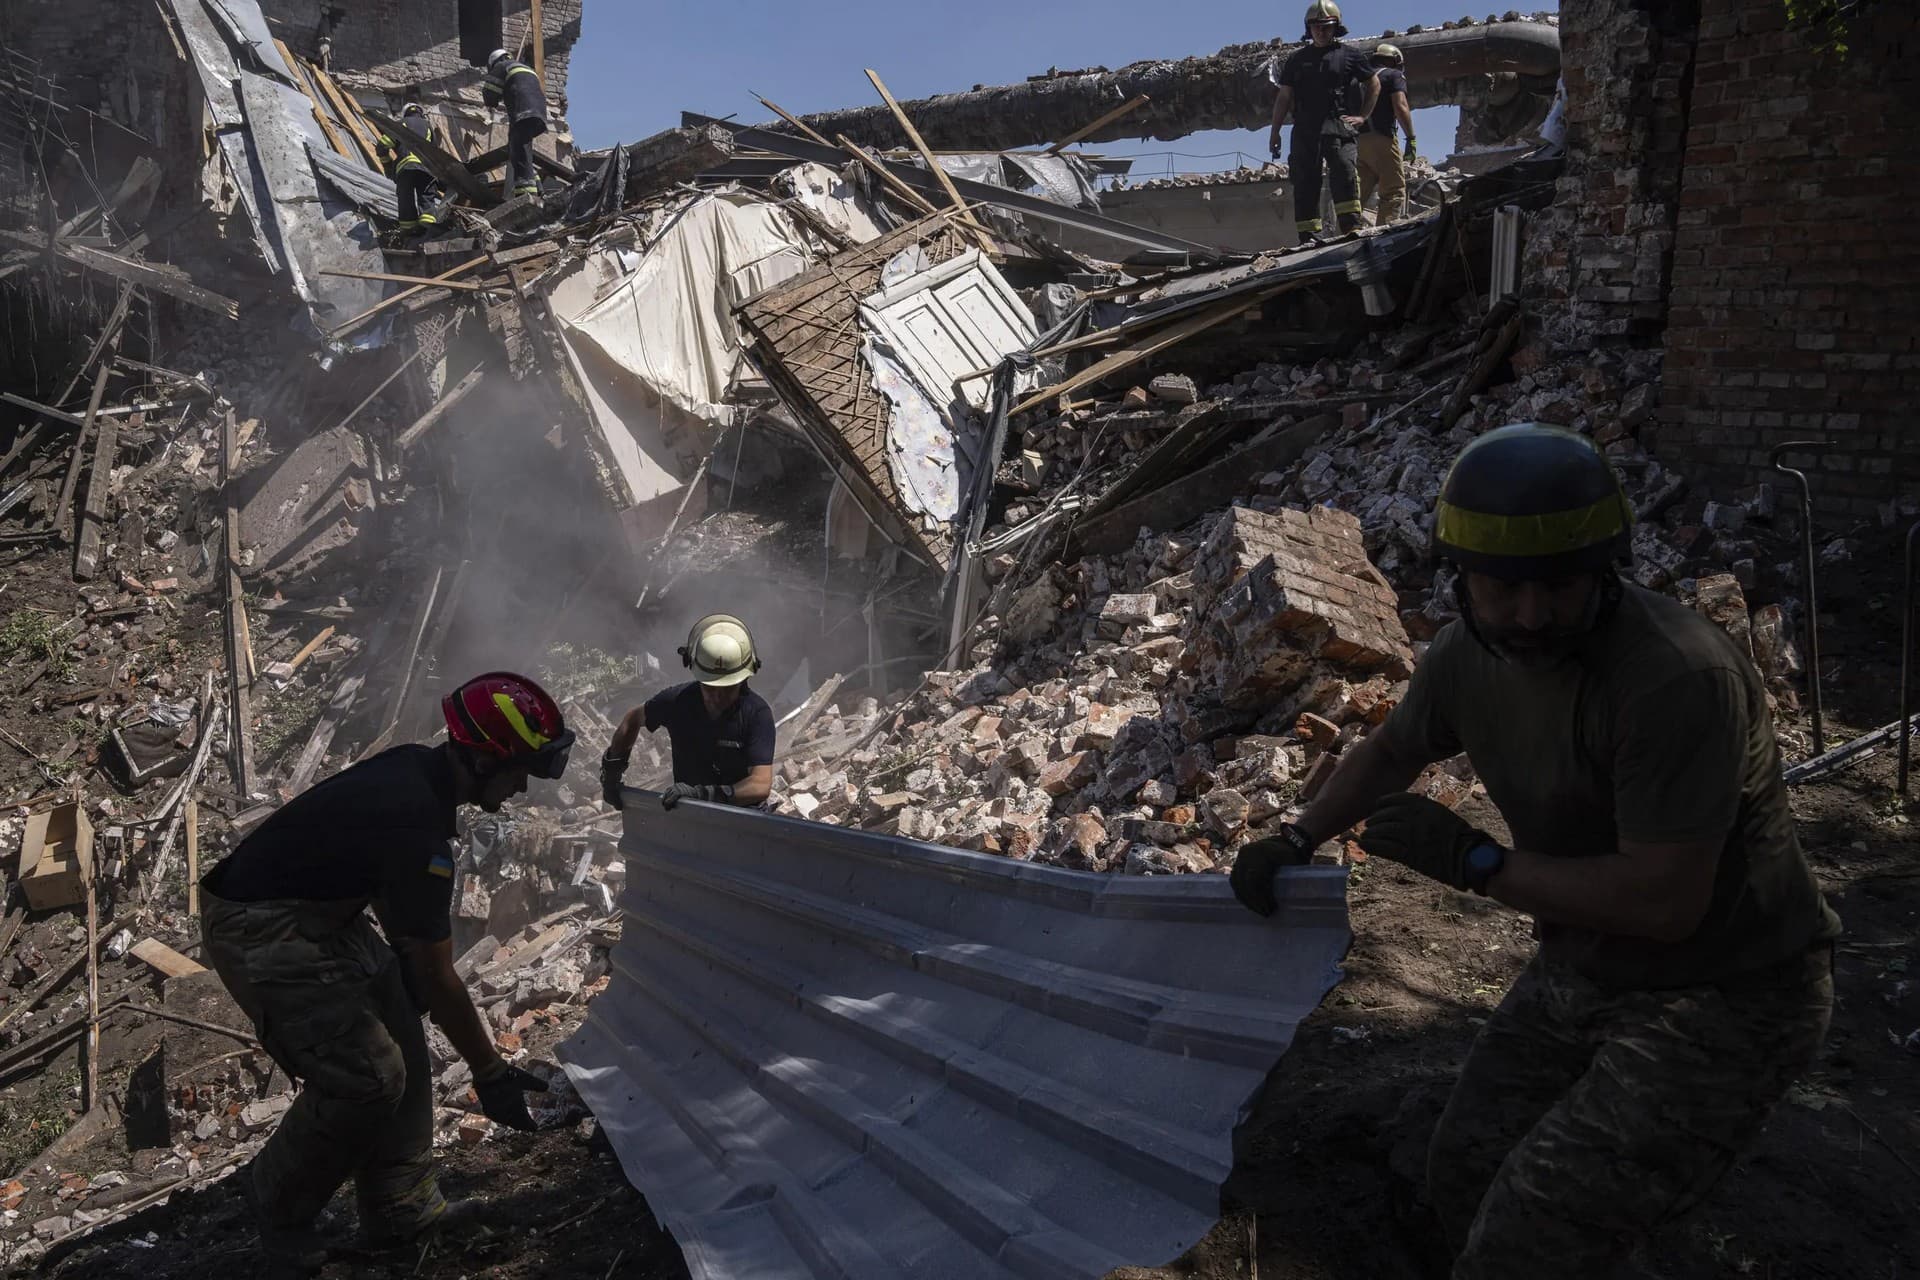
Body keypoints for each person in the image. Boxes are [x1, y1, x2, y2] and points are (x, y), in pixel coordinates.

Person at [1229, 424, 1840, 1279]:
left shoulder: (1674, 679)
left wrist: (1478, 864)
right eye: (1502, 588)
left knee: (1534, 1240)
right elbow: (1394, 751)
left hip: (1730, 993)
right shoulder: (1463, 655)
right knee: (1464, 1172)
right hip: (1588, 963)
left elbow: (1666, 903)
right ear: (1461, 580)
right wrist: (1295, 836)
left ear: (1606, 571)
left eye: (1559, 587)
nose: (1530, 615)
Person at [200, 672, 572, 1274]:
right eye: (517, 769)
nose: (522, 785)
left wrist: (402, 973)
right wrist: (491, 1072)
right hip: (260, 926)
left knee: (400, 1028)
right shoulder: (416, 828)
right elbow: (438, 975)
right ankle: (277, 1205)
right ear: (479, 759)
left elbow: (374, 885)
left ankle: (403, 1208)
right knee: (368, 1076)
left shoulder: (419, 773)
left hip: (323, 914)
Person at [600, 614, 776, 811]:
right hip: (689, 814)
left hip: (741, 816)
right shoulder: (678, 701)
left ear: (743, 680)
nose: (717, 696)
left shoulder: (756, 714)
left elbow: (760, 784)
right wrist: (611, 774)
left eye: (727, 689)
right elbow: (632, 720)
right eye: (709, 687)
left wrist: (705, 795)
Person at [1269, 1, 1380, 242]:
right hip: (1305, 130)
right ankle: (1308, 235)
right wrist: (1275, 131)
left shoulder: (1350, 55)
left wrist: (1362, 116)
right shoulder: (1297, 60)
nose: (1321, 31)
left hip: (1339, 126)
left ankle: (1351, 227)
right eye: (1316, 27)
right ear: (1309, 29)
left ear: (1336, 27)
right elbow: (1284, 96)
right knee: (1305, 180)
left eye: (1326, 27)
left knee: (1344, 172)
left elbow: (1374, 83)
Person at [1356, 42, 1416, 224]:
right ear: (1394, 61)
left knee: (1357, 194)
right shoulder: (1393, 75)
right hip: (1381, 138)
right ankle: (1385, 235)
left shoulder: (1357, 80)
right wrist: (1411, 138)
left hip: (1357, 141)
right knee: (1393, 190)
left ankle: (1343, 234)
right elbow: (1400, 107)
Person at [483, 48, 547, 200]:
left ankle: (525, 196)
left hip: (522, 112)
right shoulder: (526, 68)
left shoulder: (501, 66)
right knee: (524, 152)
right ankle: (539, 189)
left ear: (494, 62)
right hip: (539, 115)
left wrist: (491, 103)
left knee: (518, 154)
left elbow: (490, 95)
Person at [376, 103, 441, 233]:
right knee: (426, 195)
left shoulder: (400, 124)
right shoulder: (428, 127)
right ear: (420, 113)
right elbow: (436, 152)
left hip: (406, 168)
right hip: (426, 169)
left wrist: (388, 165)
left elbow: (382, 146)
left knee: (406, 198)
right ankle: (428, 225)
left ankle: (409, 230)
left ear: (405, 113)